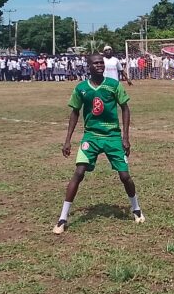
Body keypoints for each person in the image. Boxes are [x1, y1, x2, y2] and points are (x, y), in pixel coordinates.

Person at [54, 54, 144, 234]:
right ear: (88, 66)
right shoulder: (81, 88)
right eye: (95, 63)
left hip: (112, 136)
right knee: (79, 172)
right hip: (91, 137)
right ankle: (62, 218)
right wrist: (67, 140)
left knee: (125, 176)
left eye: (101, 63)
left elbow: (125, 108)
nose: (99, 65)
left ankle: (136, 209)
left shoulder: (113, 85)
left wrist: (125, 137)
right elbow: (75, 112)